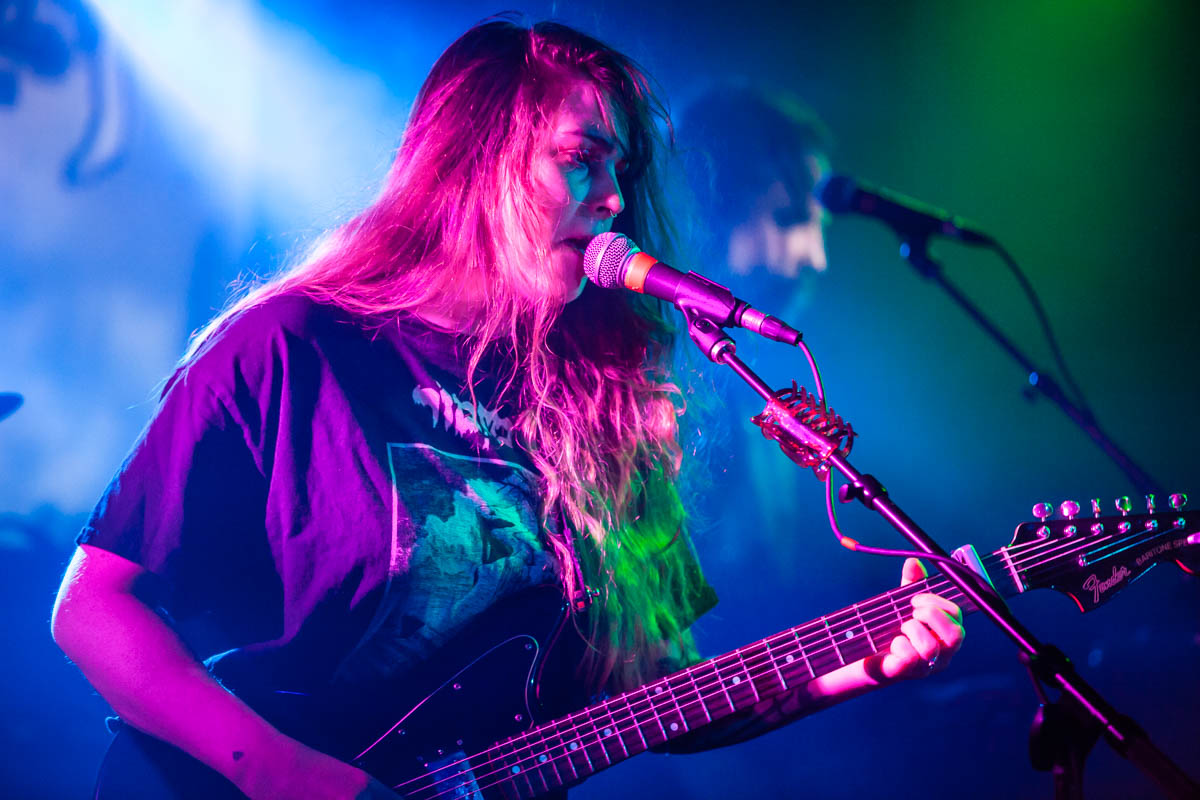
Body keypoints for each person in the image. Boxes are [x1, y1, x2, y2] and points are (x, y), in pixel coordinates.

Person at [51, 18, 964, 800]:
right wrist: (285, 774)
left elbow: (660, 693)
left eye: (621, 171)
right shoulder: (291, 346)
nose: (614, 200)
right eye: (581, 160)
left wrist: (854, 666)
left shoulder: (610, 403)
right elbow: (93, 606)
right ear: (475, 162)